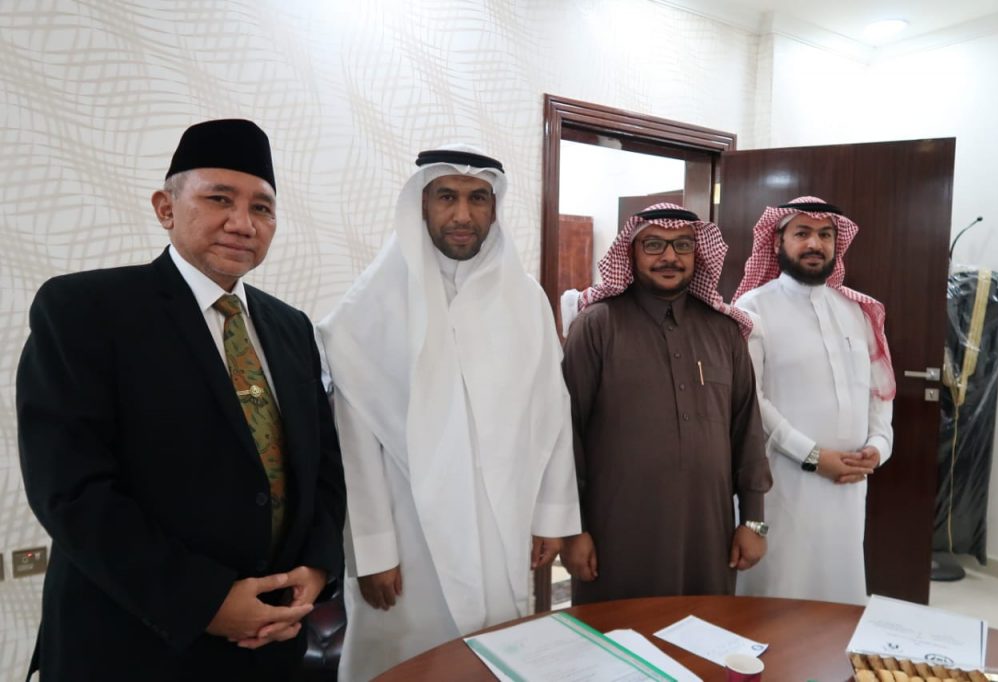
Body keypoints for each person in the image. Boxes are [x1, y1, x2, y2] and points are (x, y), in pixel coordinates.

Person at [16, 119, 346, 681]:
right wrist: (208, 602)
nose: (242, 223)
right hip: (134, 644)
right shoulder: (86, 311)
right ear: (165, 208)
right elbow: (71, 490)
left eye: (262, 208)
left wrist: (316, 570)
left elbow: (323, 469)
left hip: (271, 647)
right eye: (219, 199)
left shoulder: (291, 328)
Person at [318, 145, 580, 681]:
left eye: (477, 198)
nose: (462, 215)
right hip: (409, 534)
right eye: (447, 197)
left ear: (494, 207)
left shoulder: (526, 300)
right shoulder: (371, 304)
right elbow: (354, 442)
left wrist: (551, 518)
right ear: (421, 203)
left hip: (502, 519)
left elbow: (553, 412)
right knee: (408, 660)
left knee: (493, 653)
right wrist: (372, 552)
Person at [559, 203, 772, 605]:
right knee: (617, 638)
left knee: (704, 632)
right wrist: (573, 529)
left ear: (698, 253)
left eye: (682, 245)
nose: (670, 256)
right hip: (615, 533)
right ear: (631, 252)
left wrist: (754, 521)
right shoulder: (597, 326)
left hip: (708, 534)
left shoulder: (724, 332)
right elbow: (567, 434)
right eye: (654, 244)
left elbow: (747, 430)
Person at [732, 196, 896, 605]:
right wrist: (811, 455)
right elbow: (750, 399)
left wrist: (879, 447)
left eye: (825, 235)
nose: (814, 244)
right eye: (802, 233)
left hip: (849, 486)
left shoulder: (856, 310)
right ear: (777, 242)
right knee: (779, 594)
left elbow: (879, 390)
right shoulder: (753, 308)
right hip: (783, 483)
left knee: (839, 595)